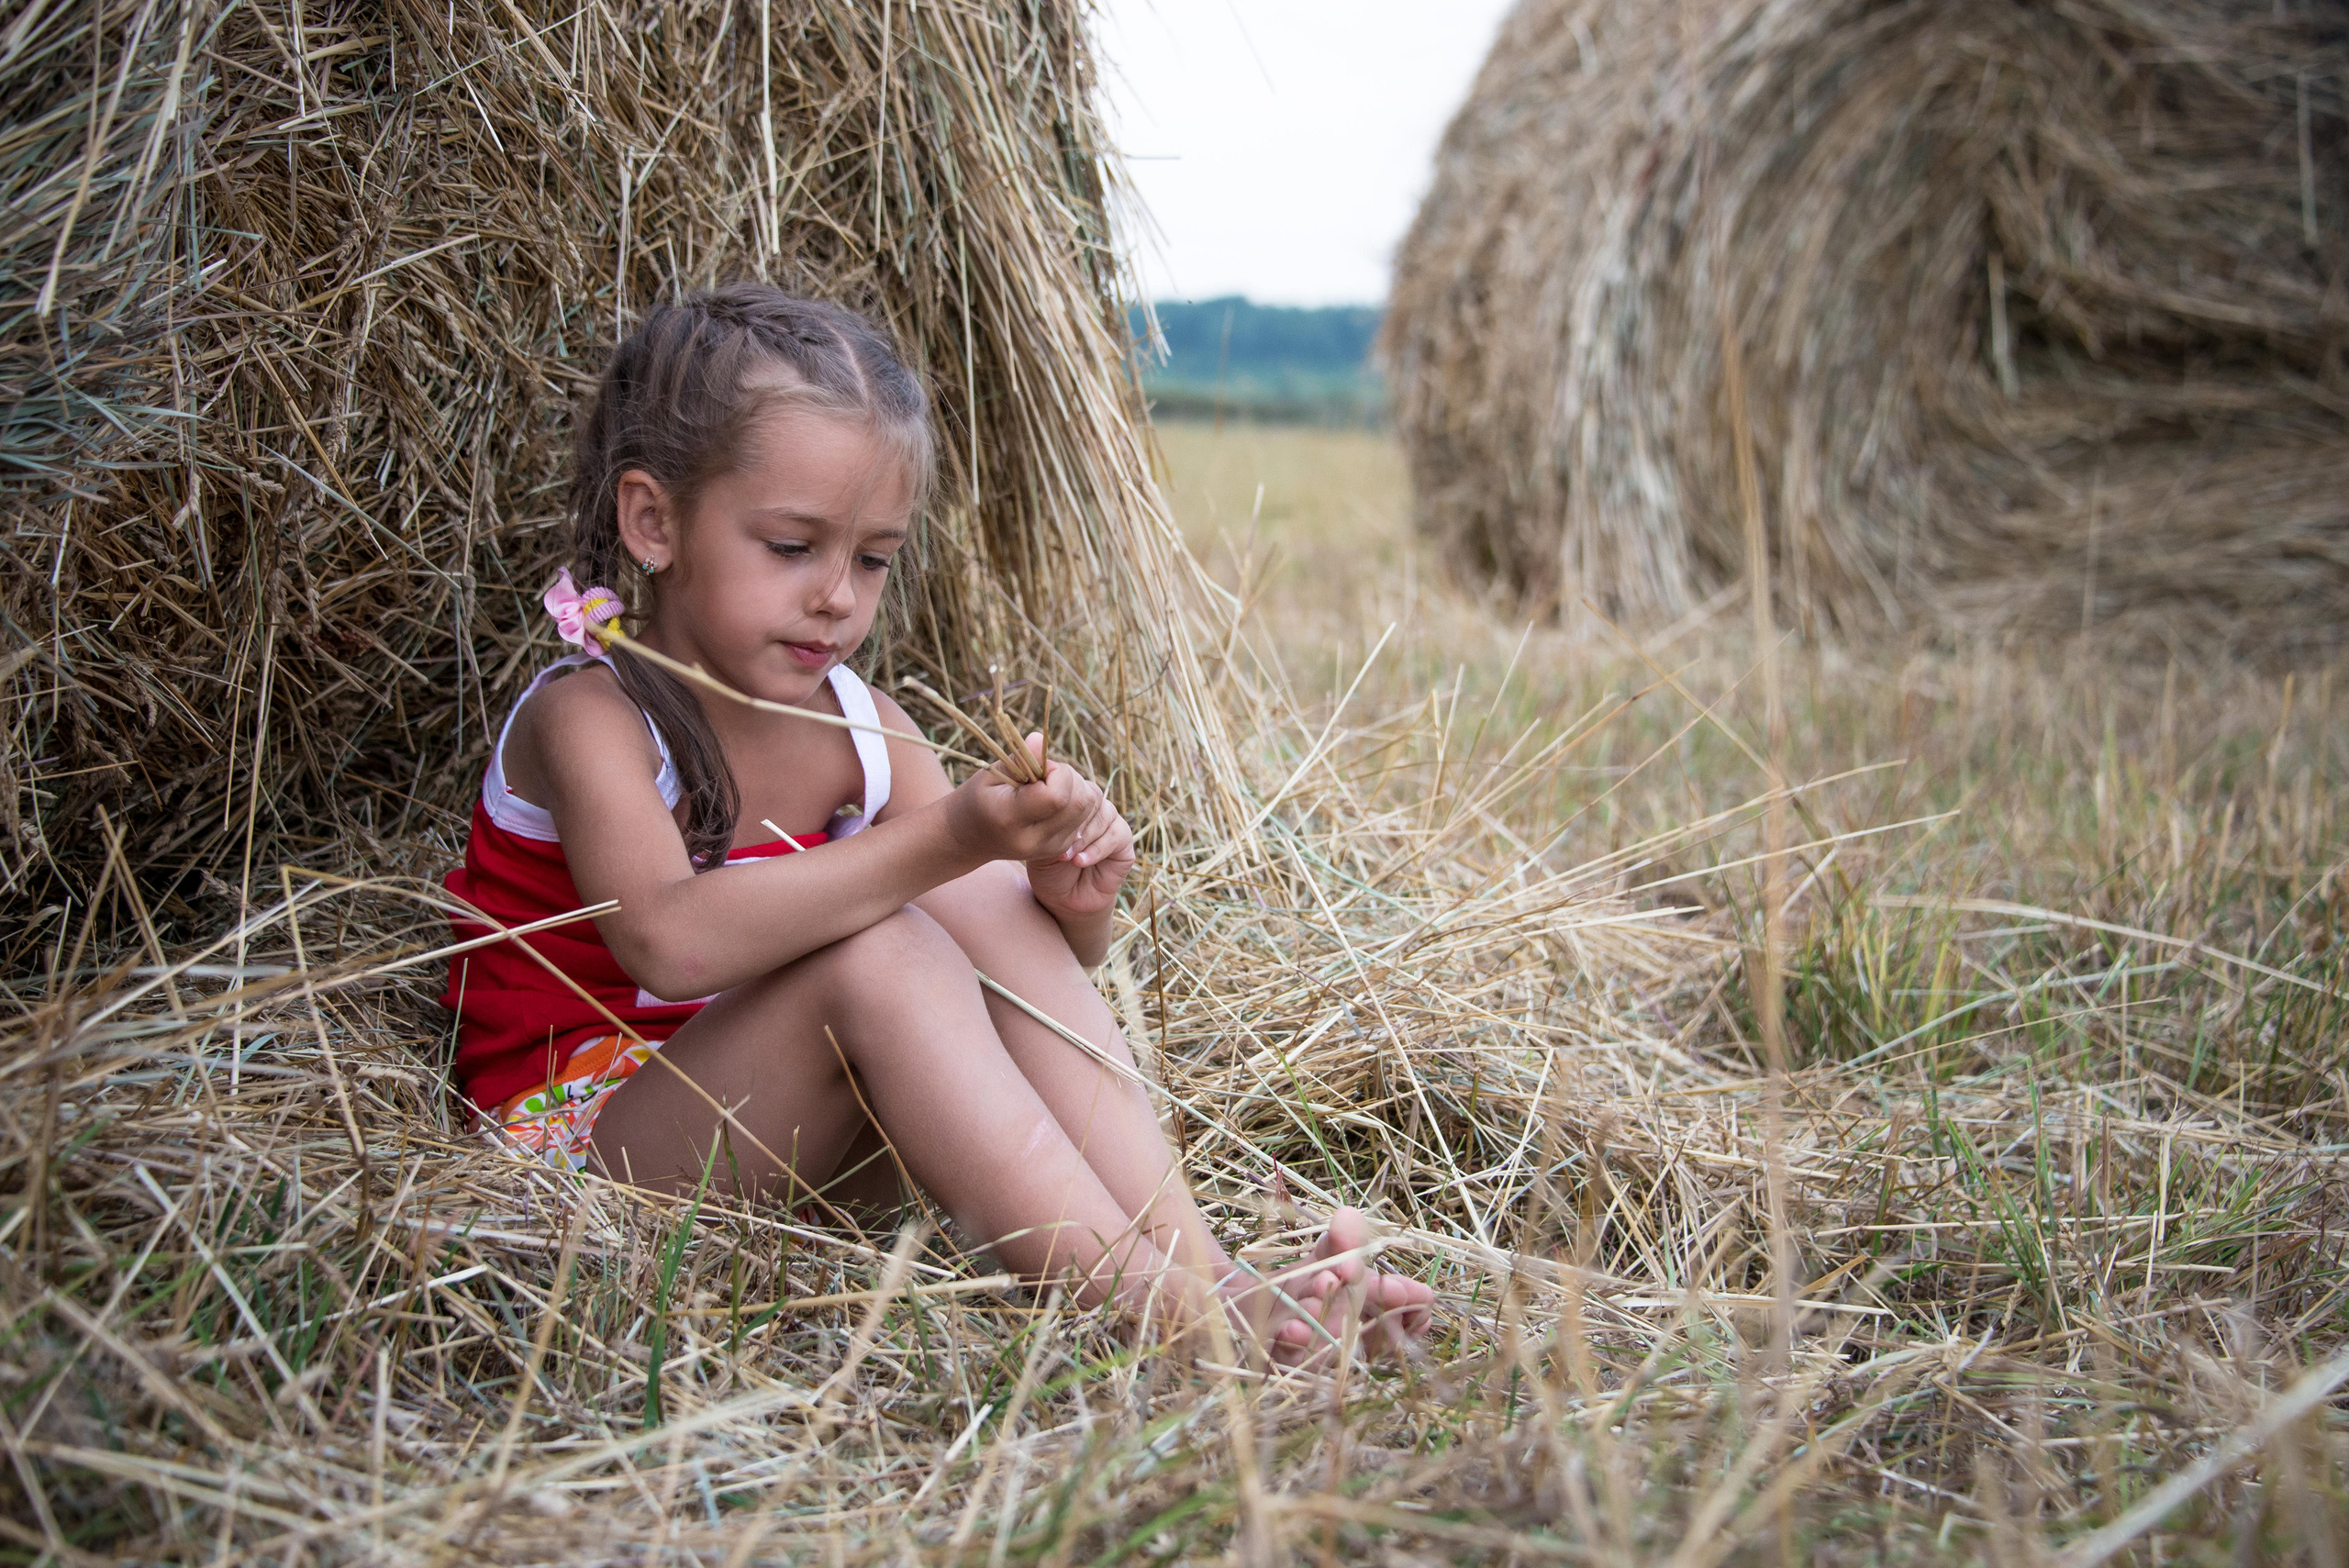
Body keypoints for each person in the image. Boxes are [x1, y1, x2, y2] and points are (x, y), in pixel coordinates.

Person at [440, 284, 1431, 1361]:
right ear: (654, 521)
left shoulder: (869, 727)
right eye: (791, 546)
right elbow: (668, 941)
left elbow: (1013, 965)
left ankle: (1209, 1272)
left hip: (805, 1141)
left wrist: (1064, 898)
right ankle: (1175, 1317)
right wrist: (953, 835)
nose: (837, 597)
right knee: (894, 939)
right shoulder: (592, 714)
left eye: (871, 558)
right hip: (598, 1150)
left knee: (969, 904)